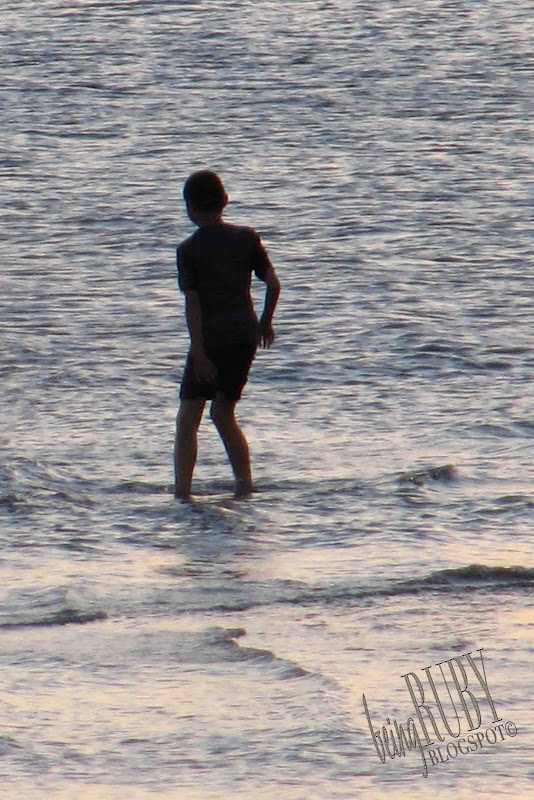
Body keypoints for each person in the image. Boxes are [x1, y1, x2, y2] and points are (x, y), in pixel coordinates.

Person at [174, 170, 280, 501]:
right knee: (223, 413)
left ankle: (183, 492)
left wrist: (199, 352)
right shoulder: (246, 238)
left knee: (188, 417)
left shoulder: (189, 250)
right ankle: (244, 484)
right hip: (245, 337)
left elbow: (193, 304)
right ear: (224, 201)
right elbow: (273, 284)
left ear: (190, 207)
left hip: (211, 340)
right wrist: (265, 322)